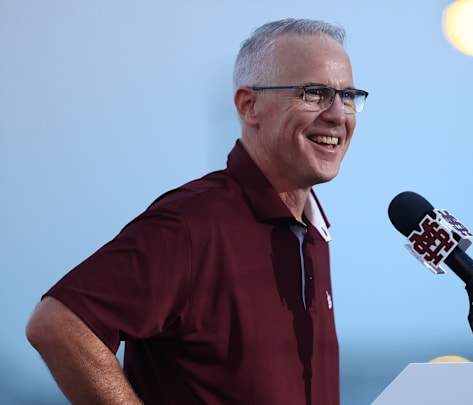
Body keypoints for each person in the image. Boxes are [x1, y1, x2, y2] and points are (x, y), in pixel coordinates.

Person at [25, 18, 368, 405]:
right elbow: (58, 323)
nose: (339, 115)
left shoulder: (311, 230)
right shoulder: (192, 223)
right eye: (315, 93)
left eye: (349, 96)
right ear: (248, 105)